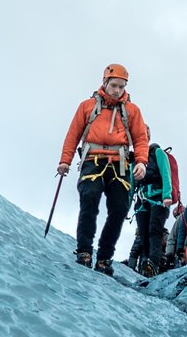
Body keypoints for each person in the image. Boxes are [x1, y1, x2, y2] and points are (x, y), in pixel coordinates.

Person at [57, 64, 149, 276]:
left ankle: (105, 257)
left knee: (119, 208)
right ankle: (84, 251)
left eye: (121, 86)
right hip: (93, 159)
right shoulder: (87, 106)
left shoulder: (133, 111)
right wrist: (65, 161)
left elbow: (141, 139)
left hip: (121, 163)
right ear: (104, 82)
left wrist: (142, 162)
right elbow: (73, 135)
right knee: (89, 198)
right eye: (114, 85)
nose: (117, 90)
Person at [125, 132, 175, 277]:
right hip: (142, 200)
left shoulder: (158, 153)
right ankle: (146, 263)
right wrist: (126, 208)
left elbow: (166, 174)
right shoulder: (135, 160)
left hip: (159, 198)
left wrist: (167, 196)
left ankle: (154, 263)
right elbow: (131, 186)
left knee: (154, 230)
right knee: (143, 232)